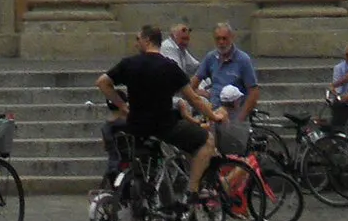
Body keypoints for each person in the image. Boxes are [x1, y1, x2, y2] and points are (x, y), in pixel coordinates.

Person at [98, 24, 214, 201]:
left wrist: (122, 105)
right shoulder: (169, 67)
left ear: (147, 40)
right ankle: (193, 189)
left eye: (138, 39)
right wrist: (214, 116)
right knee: (207, 141)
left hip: (136, 126)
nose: (136, 43)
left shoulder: (129, 63)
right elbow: (194, 99)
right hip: (164, 126)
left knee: (143, 165)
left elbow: (102, 83)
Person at [195, 22, 259, 120]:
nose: (221, 42)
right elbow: (195, 81)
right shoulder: (211, 58)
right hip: (214, 113)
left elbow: (253, 92)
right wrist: (193, 95)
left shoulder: (243, 60)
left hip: (234, 114)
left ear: (232, 38)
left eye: (224, 38)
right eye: (218, 39)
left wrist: (240, 119)